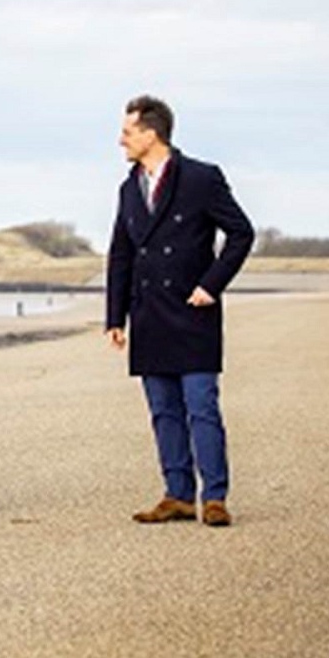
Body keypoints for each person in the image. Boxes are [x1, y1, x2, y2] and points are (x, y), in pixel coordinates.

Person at [106, 94, 254, 528]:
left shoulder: (201, 178)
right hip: (148, 312)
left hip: (192, 311)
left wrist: (212, 284)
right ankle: (178, 495)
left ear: (151, 134)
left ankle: (215, 497)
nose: (121, 140)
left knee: (201, 406)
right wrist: (115, 317)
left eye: (128, 132)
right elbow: (121, 255)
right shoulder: (128, 186)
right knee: (163, 410)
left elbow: (241, 233)